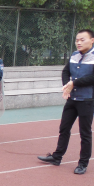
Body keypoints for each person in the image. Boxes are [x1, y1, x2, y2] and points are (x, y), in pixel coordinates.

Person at [38, 29, 94, 175]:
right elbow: (65, 71)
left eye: (82, 40)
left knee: (85, 133)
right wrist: (66, 87)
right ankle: (57, 157)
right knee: (64, 128)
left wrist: (74, 83)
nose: (78, 42)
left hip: (87, 100)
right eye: (77, 40)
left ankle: (83, 164)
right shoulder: (74, 55)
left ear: (92, 40)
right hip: (71, 99)